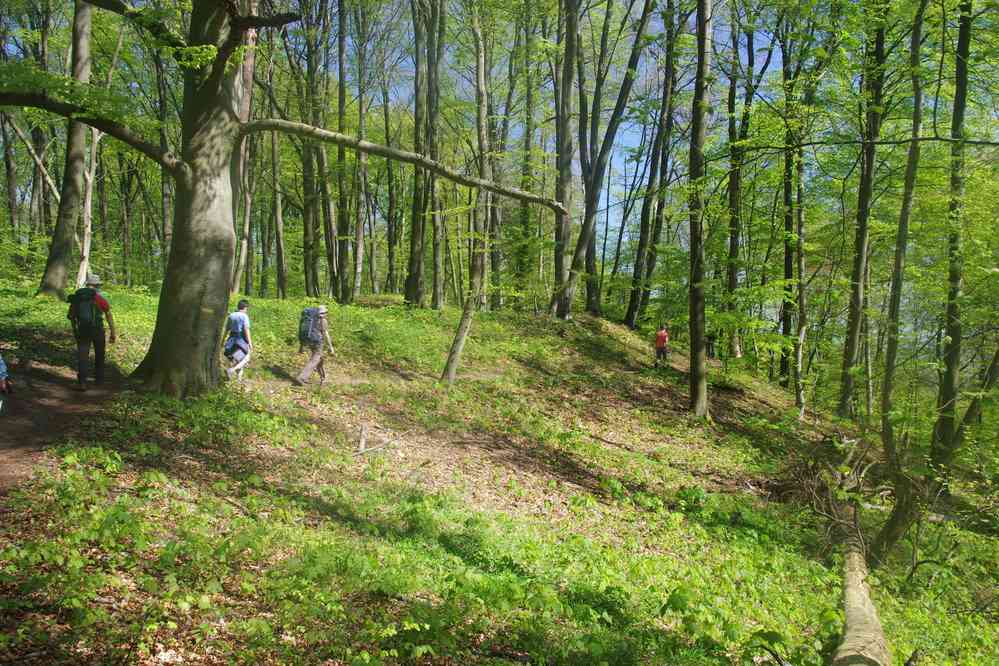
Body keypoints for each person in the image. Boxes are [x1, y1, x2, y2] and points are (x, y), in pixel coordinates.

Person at [67, 273, 117, 391]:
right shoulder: (99, 299)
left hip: (83, 331)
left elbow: (71, 316)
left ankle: (82, 383)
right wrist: (113, 332)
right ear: (96, 286)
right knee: (99, 355)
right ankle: (99, 381)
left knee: (83, 356)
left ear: (87, 284)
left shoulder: (77, 298)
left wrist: (75, 330)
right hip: (98, 330)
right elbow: (108, 314)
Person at [295, 305, 335, 386]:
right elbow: (326, 334)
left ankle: (323, 378)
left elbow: (303, 331)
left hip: (309, 340)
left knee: (319, 359)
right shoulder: (323, 320)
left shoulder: (310, 320)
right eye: (326, 312)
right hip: (318, 342)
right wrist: (331, 347)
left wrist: (301, 346)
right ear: (324, 313)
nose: (327, 314)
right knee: (315, 359)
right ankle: (302, 377)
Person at [223, 299, 253, 381]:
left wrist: (222, 341)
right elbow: (246, 329)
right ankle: (231, 370)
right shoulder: (244, 316)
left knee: (236, 359)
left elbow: (226, 329)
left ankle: (238, 381)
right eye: (247, 308)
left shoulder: (231, 315)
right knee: (247, 357)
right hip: (240, 340)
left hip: (231, 340)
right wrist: (250, 342)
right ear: (245, 307)